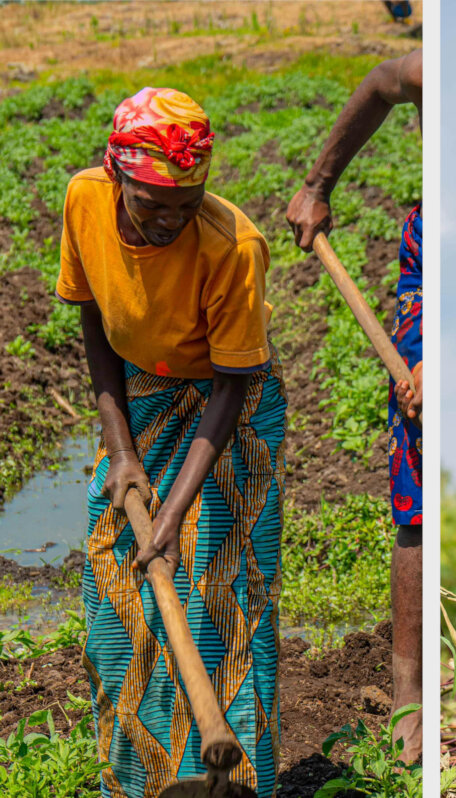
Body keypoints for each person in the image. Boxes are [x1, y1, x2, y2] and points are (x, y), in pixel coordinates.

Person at [57, 87, 286, 798]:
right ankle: (143, 782)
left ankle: (233, 784)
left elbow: (230, 387)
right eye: (151, 203)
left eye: (184, 207)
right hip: (138, 394)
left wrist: (175, 511)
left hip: (227, 411)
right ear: (117, 174)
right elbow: (92, 313)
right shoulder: (84, 200)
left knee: (221, 599)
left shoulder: (231, 246)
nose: (167, 222)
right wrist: (120, 449)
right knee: (117, 586)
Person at [286, 48, 423, 763]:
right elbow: (379, 82)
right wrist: (317, 185)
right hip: (438, 254)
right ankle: (409, 697)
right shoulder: (435, 69)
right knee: (418, 490)